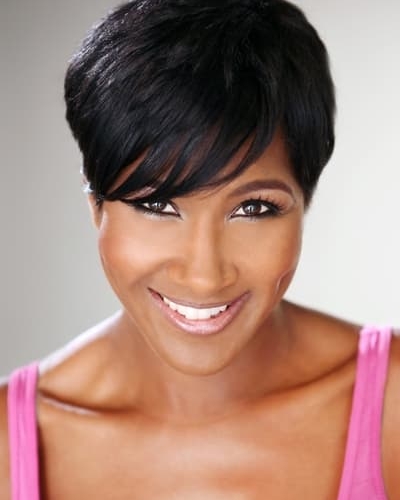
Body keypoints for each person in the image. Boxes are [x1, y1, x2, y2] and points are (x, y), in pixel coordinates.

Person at [1, 0, 399, 498]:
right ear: (95, 205)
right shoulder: (9, 447)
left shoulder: (392, 405)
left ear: (305, 202)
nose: (204, 276)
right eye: (158, 204)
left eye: (253, 208)